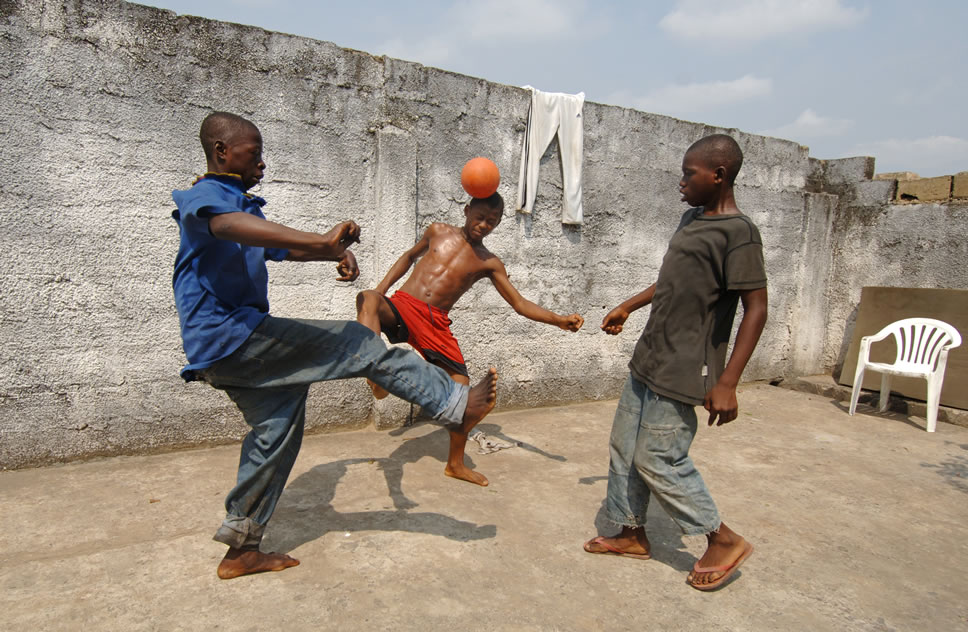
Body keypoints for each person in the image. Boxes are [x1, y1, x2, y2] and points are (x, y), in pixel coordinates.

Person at [172, 111, 498, 580]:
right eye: (254, 153)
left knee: (275, 436)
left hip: (231, 348)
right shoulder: (205, 198)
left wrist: (332, 250)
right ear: (222, 151)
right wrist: (320, 241)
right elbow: (228, 228)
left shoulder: (244, 205)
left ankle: (242, 547)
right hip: (232, 335)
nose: (262, 163)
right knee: (356, 341)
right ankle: (451, 403)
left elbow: (276, 246)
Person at [582, 134, 768, 591]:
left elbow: (757, 308)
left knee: (658, 458)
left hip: (686, 366)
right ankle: (630, 532)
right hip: (651, 355)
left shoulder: (738, 233)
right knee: (625, 447)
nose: (681, 182)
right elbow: (671, 281)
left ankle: (721, 539)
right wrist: (630, 304)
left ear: (719, 175)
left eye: (690, 173)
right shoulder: (691, 219)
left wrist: (728, 382)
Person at [356, 192, 584, 487]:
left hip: (436, 323)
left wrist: (558, 320)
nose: (483, 225)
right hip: (404, 304)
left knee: (462, 394)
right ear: (466, 211)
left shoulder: (489, 263)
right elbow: (409, 257)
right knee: (368, 299)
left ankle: (455, 464)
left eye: (492, 221)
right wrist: (382, 290)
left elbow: (519, 303)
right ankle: (376, 370)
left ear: (499, 223)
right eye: (479, 217)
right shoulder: (437, 231)